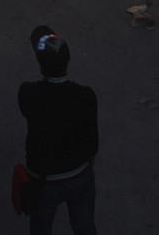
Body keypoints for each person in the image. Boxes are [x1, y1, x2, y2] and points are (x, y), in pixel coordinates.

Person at [18, 26, 99, 235]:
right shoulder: (86, 96)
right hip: (79, 175)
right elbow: (93, 143)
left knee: (41, 228)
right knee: (85, 227)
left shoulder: (29, 94)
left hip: (45, 181)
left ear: (40, 64)